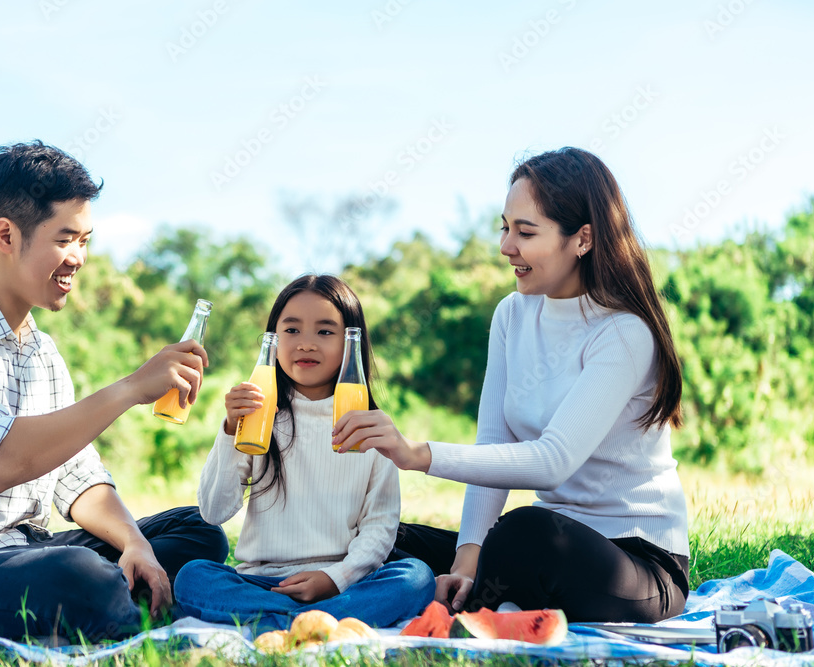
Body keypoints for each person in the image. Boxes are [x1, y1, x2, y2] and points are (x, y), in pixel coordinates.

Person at [0, 140, 228, 641]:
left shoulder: (42, 352)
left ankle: (125, 596)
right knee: (75, 573)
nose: (79, 258)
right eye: (65, 238)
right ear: (6, 235)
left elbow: (78, 479)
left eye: (85, 239)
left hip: (19, 552)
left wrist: (136, 543)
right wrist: (131, 388)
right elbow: (1, 463)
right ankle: (135, 605)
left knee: (196, 532)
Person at [333, 147, 690, 624]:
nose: (506, 246)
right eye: (505, 227)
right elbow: (495, 442)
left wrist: (418, 454)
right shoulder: (512, 314)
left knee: (524, 533)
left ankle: (470, 606)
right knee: (376, 533)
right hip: (534, 548)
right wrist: (466, 555)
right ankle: (475, 594)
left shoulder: (623, 333)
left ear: (582, 239)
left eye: (525, 232)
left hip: (634, 564)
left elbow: (551, 463)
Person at [174, 275, 435, 631]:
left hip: (341, 583)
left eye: (325, 332)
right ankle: (310, 622)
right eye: (292, 331)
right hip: (264, 582)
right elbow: (214, 511)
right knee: (194, 576)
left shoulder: (371, 428)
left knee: (416, 577)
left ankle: (277, 621)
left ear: (351, 343)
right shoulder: (259, 417)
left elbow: (379, 526)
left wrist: (335, 577)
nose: (306, 344)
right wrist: (230, 430)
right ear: (273, 340)